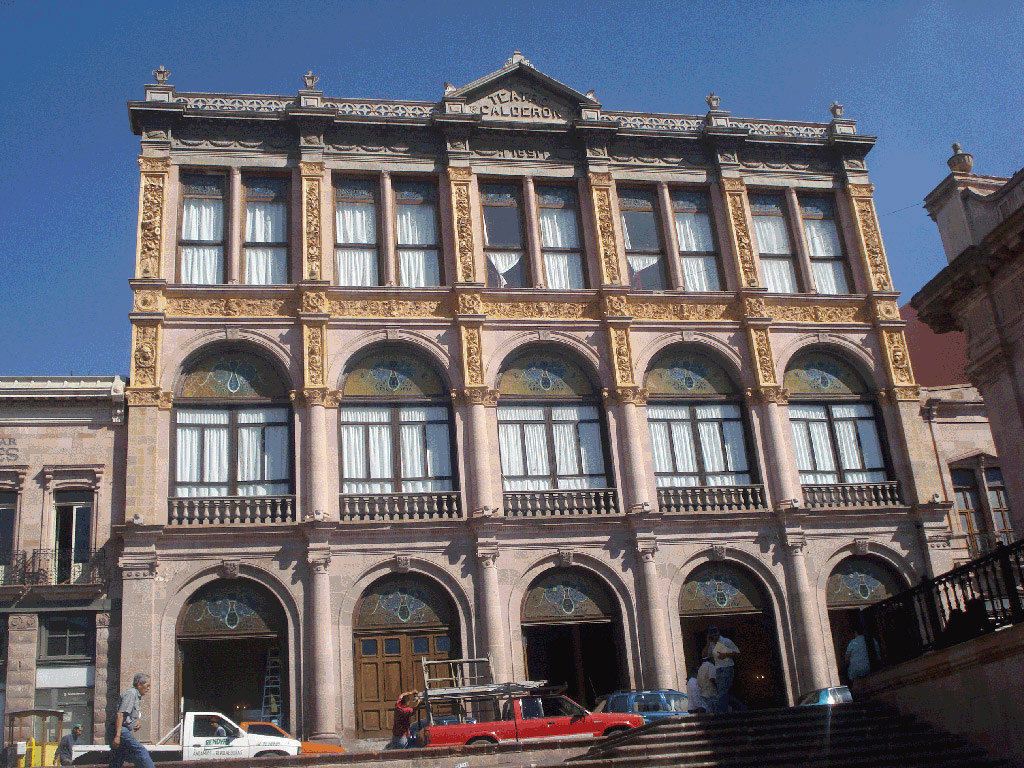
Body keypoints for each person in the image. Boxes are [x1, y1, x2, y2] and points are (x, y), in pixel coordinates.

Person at [107, 673, 155, 768]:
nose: (148, 689)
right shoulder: (131, 694)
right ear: (139, 684)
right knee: (141, 752)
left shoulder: (135, 695)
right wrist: (117, 736)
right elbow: (120, 714)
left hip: (118, 729)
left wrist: (134, 723)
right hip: (120, 730)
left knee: (117, 759)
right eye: (147, 685)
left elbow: (126, 715)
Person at [707, 626, 745, 713]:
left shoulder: (726, 641)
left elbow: (737, 652)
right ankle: (741, 707)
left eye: (715, 633)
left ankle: (723, 712)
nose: (714, 636)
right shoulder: (712, 644)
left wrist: (725, 655)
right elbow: (706, 655)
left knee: (722, 692)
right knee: (722, 693)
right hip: (718, 669)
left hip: (727, 668)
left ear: (718, 633)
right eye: (712, 634)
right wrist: (708, 642)